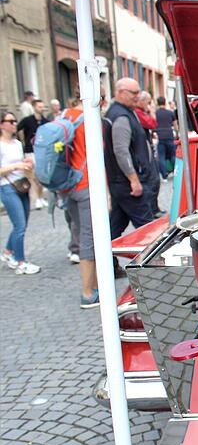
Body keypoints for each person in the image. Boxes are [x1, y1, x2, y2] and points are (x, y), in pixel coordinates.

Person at [103, 78, 154, 263]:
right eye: (134, 93)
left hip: (121, 182)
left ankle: (107, 264)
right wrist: (133, 179)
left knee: (115, 226)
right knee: (148, 230)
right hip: (128, 184)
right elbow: (121, 150)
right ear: (121, 92)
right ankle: (153, 268)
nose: (137, 96)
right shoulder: (121, 116)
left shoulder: (121, 113)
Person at [59, 97, 100, 308]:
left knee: (81, 232)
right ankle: (87, 292)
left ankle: (93, 287)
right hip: (85, 183)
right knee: (89, 237)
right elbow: (97, 158)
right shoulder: (89, 120)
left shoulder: (65, 115)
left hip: (67, 185)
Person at [0, 110, 40, 275]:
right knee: (20, 226)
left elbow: (20, 162)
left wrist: (26, 163)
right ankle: (20, 261)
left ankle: (8, 252)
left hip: (21, 184)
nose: (15, 124)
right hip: (6, 186)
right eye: (11, 121)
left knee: (22, 223)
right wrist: (16, 166)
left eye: (15, 121)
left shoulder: (17, 143)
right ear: (2, 124)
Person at [135, 91, 164, 218]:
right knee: (153, 180)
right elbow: (152, 123)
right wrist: (152, 111)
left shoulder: (138, 112)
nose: (149, 105)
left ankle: (153, 208)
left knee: (154, 180)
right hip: (144, 152)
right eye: (148, 102)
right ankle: (152, 209)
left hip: (145, 149)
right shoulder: (139, 113)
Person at [17, 99, 50, 210]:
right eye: (39, 107)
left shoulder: (46, 121)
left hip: (42, 151)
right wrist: (21, 141)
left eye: (43, 107)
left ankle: (41, 197)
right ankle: (36, 198)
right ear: (34, 107)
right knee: (33, 176)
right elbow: (17, 128)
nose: (42, 108)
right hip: (30, 150)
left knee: (40, 176)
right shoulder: (27, 120)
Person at [155, 96, 177, 180]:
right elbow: (175, 124)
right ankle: (175, 172)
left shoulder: (156, 113)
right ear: (165, 102)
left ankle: (164, 176)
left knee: (161, 156)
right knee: (173, 155)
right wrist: (177, 133)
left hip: (160, 135)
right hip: (169, 134)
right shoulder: (170, 113)